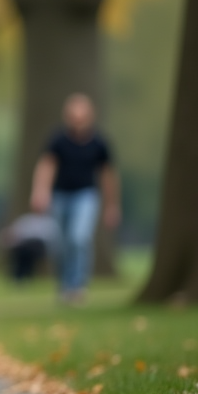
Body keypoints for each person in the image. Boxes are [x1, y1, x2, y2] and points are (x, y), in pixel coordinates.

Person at [29, 93, 121, 303]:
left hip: (86, 196)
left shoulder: (99, 143)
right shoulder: (58, 140)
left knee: (79, 238)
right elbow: (46, 166)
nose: (77, 120)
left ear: (89, 116)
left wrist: (112, 205)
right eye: (73, 116)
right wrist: (40, 191)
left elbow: (108, 175)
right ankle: (64, 284)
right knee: (59, 243)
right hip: (60, 196)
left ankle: (77, 285)